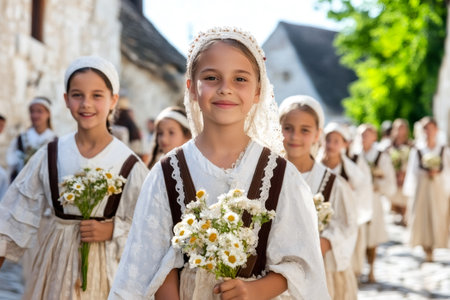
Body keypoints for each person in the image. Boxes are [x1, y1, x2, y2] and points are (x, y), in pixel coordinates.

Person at [109, 27, 329, 300]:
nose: (226, 89)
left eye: (240, 79)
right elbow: (152, 263)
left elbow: (298, 264)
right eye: (211, 77)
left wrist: (252, 289)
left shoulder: (281, 176)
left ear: (258, 91)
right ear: (191, 87)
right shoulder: (167, 173)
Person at [0, 56, 149, 299]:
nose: (86, 104)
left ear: (113, 101)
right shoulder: (50, 154)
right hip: (54, 266)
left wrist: (113, 229)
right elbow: (14, 213)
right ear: (66, 100)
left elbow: (149, 226)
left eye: (97, 95)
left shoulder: (128, 163)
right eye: (77, 95)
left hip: (108, 269)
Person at [279, 95, 358, 299]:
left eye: (305, 130)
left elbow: (346, 224)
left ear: (317, 135)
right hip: (277, 272)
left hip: (322, 270)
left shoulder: (333, 183)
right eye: (288, 128)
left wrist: (327, 241)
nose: (295, 136)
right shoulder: (269, 178)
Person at [318, 122, 374, 281]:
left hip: (342, 217)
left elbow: (363, 188)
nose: (331, 145)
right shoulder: (317, 165)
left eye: (336, 141)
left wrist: (349, 191)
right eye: (328, 140)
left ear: (344, 144)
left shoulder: (350, 169)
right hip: (321, 220)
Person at [403, 117, 450, 262]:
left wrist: (437, 172)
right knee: (423, 217)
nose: (428, 131)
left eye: (430, 128)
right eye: (425, 128)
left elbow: (447, 168)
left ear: (436, 130)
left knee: (438, 215)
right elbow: (412, 170)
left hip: (438, 188)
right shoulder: (417, 149)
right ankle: (426, 247)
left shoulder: (443, 149)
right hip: (422, 187)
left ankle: (436, 244)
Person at [356, 123, 396, 282]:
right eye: (361, 134)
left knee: (372, 236)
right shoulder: (353, 155)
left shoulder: (381, 156)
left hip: (373, 200)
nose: (363, 137)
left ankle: (371, 269)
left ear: (374, 137)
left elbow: (389, 179)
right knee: (359, 235)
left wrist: (377, 185)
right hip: (357, 200)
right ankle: (357, 268)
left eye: (366, 134)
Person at [6, 97, 57, 182]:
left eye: (39, 111)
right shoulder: (21, 139)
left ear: (49, 113)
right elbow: (11, 166)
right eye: (32, 111)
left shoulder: (54, 140)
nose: (34, 115)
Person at [387, 118, 412, 225]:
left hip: (407, 175)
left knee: (405, 197)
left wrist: (404, 173)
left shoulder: (411, 145)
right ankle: (397, 213)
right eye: (398, 128)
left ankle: (405, 216)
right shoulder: (390, 146)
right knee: (395, 196)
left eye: (402, 128)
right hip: (394, 176)